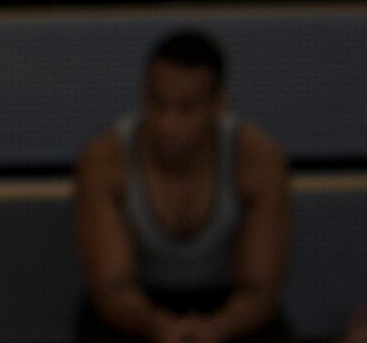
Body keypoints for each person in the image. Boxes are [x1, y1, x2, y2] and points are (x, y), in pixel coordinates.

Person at [74, 30, 293, 343]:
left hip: (229, 310)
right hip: (136, 315)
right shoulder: (105, 159)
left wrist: (217, 328)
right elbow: (113, 288)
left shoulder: (258, 159)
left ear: (219, 106)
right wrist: (160, 326)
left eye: (186, 108)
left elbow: (260, 288)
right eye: (158, 103)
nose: (168, 123)